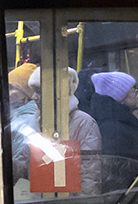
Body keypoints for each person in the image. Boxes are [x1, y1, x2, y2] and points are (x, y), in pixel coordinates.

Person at [27, 65, 101, 194]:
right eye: (33, 91)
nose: (34, 97)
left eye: (39, 91)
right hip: (39, 203)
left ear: (56, 92)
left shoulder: (83, 124)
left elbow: (89, 174)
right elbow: (25, 162)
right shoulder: (35, 121)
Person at [88, 70, 138, 192]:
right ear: (120, 95)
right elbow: (114, 167)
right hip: (119, 193)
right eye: (134, 91)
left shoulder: (119, 120)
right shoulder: (113, 127)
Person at [7, 62, 40, 180]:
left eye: (13, 88)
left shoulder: (28, 123)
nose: (8, 94)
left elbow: (18, 166)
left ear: (27, 94)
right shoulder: (14, 118)